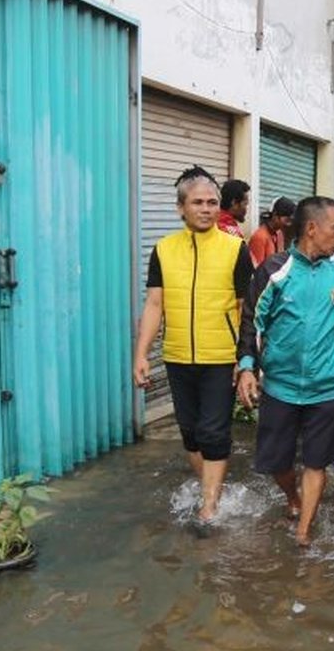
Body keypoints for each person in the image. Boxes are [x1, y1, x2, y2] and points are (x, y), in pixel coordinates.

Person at [237, 196, 334, 546]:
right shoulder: (273, 272)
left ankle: (303, 530)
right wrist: (247, 367)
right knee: (276, 463)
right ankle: (292, 497)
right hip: (280, 387)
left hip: (326, 390)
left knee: (316, 462)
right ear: (312, 228)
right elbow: (252, 322)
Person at [133, 166, 254, 524]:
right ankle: (212, 489)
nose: (206, 208)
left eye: (212, 202)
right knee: (190, 433)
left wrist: (246, 360)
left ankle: (209, 507)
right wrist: (141, 354)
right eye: (198, 202)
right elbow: (155, 304)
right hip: (178, 355)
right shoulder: (164, 250)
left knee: (213, 431)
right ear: (180, 207)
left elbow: (247, 309)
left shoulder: (235, 249)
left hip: (221, 357)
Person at [248, 196, 297, 266]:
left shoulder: (279, 233)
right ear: (275, 215)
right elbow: (257, 270)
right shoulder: (259, 237)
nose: (289, 224)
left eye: (290, 221)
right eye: (287, 220)